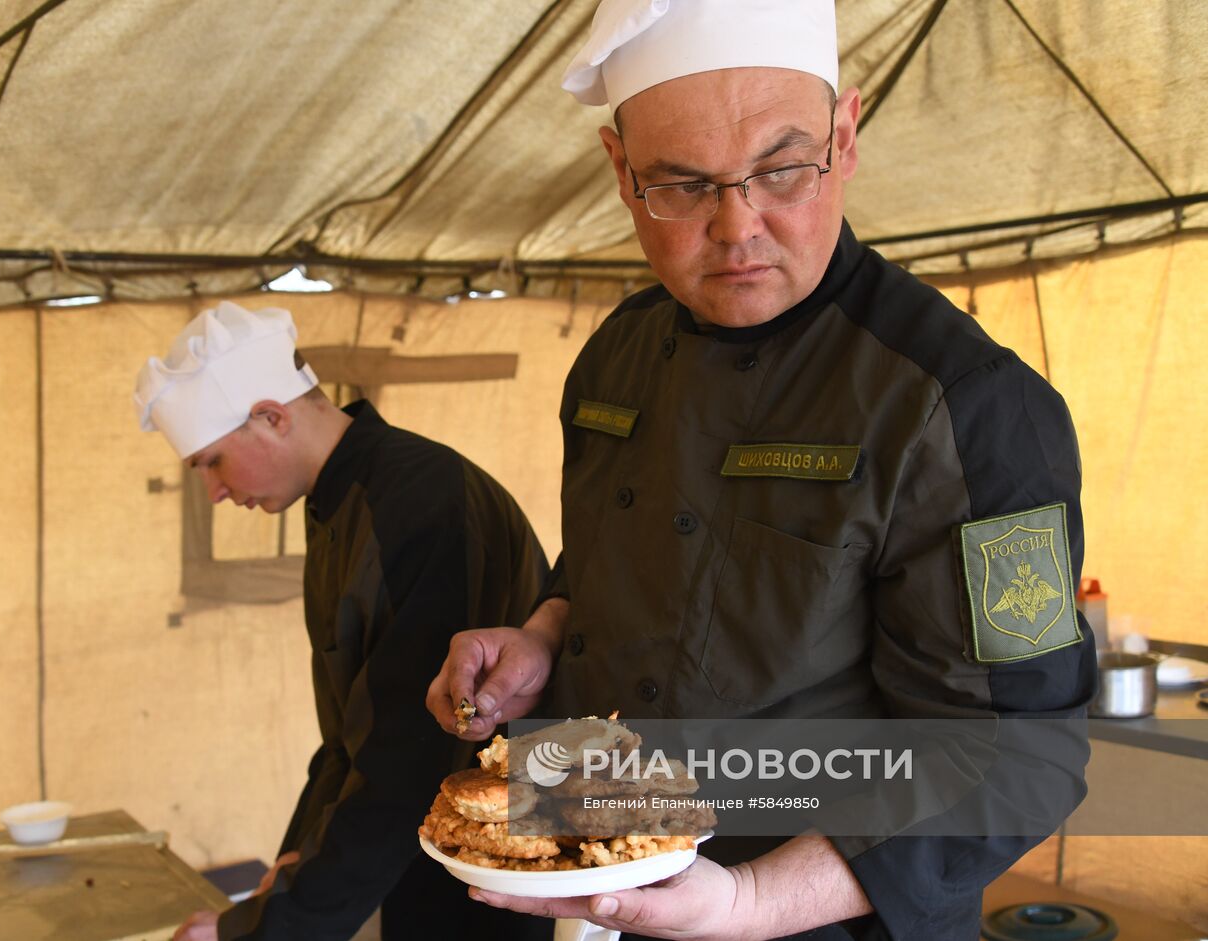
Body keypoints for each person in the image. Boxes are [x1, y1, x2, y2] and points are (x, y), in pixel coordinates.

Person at [426, 1, 1095, 938]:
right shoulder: (614, 359)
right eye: (682, 185)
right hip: (599, 873)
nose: (738, 227)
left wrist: (746, 902)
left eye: (783, 169)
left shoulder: (964, 406)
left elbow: (1020, 755)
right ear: (621, 171)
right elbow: (622, 567)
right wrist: (544, 631)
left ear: (846, 136)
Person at [134, 301, 552, 941]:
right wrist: (293, 862)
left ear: (271, 417)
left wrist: (260, 929)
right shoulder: (338, 506)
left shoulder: (420, 499)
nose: (214, 492)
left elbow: (408, 756)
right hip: (423, 849)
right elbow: (348, 735)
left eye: (212, 462)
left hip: (495, 856)